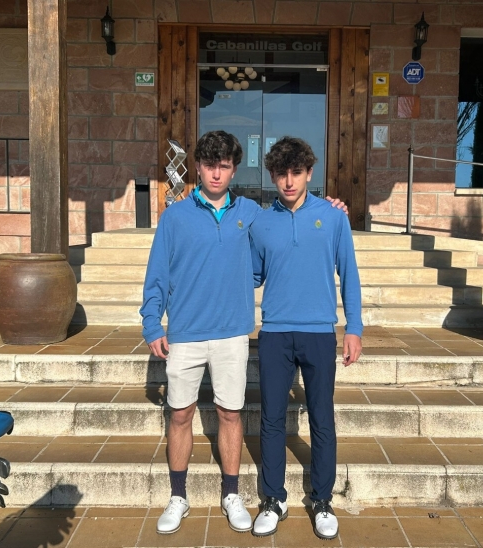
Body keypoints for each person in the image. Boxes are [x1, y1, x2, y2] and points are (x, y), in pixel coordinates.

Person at [140, 130, 347, 535]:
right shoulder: (175, 217)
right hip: (185, 332)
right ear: (197, 168)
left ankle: (231, 494)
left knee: (230, 413)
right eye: (209, 165)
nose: (216, 174)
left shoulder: (251, 213)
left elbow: (288, 223)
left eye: (224, 166)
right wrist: (152, 322)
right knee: (179, 414)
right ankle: (178, 496)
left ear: (235, 170)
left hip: (233, 333)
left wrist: (332, 207)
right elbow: (157, 274)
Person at [249, 136, 363, 540]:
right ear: (272, 176)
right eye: (281, 173)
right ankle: (273, 499)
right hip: (276, 333)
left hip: (318, 333)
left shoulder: (333, 218)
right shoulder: (261, 223)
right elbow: (252, 275)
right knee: (272, 418)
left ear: (309, 173)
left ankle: (322, 500)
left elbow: (349, 273)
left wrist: (354, 328)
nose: (289, 181)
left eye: (296, 172)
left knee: (321, 418)